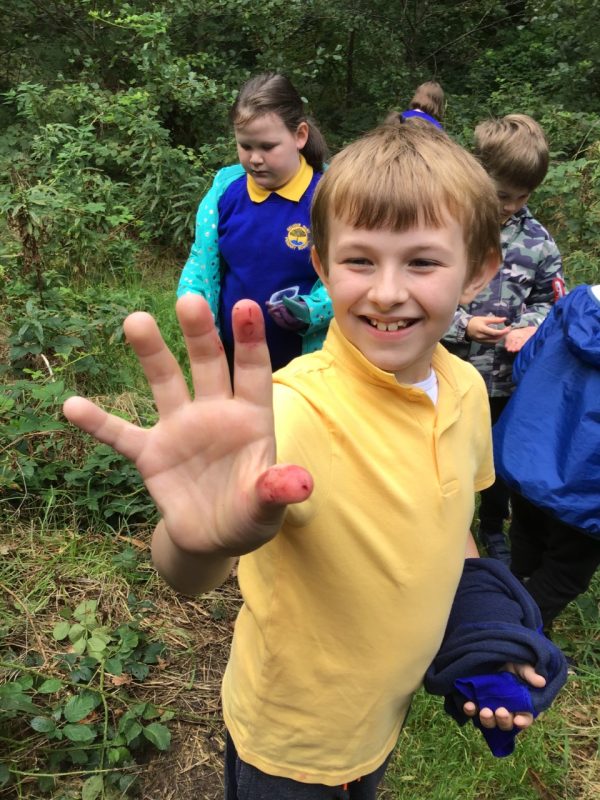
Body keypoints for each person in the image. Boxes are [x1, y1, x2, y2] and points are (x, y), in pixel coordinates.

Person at [64, 124, 564, 799]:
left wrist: (486, 630)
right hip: (289, 738)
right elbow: (188, 576)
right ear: (323, 268)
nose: (387, 291)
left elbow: (454, 531)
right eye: (360, 261)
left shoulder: (467, 390)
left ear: (479, 270)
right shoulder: (285, 413)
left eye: (421, 262)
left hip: (380, 719)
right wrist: (194, 538)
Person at [443, 113, 565, 564]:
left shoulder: (537, 241)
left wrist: (532, 325)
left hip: (504, 380)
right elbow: (419, 294)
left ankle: (494, 528)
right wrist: (461, 325)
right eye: (500, 195)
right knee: (447, 455)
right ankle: (448, 527)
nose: (510, 205)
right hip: (448, 371)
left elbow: (551, 296)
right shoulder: (448, 226)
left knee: (494, 460)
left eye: (522, 196)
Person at [177, 72, 332, 371]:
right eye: (246, 146)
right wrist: (193, 302)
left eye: (267, 146)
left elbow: (351, 273)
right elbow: (202, 260)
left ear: (300, 136)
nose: (255, 159)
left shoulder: (329, 196)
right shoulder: (225, 192)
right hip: (233, 362)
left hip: (306, 368)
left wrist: (312, 311)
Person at [493, 284, 600, 631]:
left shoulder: (580, 302)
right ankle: (510, 643)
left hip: (529, 450)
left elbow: (527, 362)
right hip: (587, 483)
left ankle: (504, 609)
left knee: (527, 539)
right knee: (565, 572)